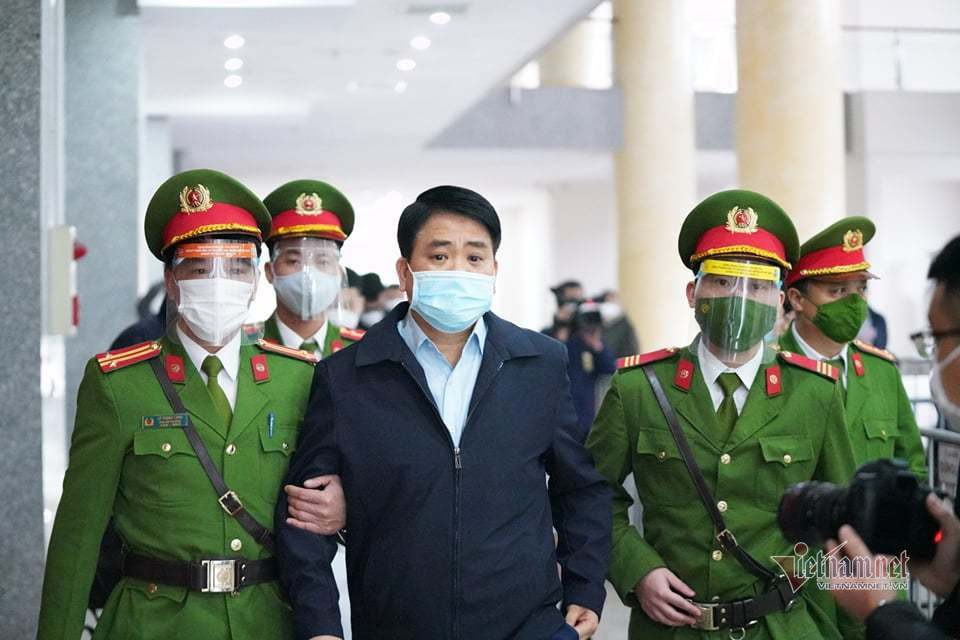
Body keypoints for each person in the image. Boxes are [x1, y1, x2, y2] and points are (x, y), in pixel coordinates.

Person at [275, 185, 612, 640]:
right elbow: (303, 516)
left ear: (494, 271)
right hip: (396, 625)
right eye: (439, 256)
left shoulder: (539, 364)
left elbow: (580, 490)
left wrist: (585, 587)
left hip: (525, 626)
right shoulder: (347, 377)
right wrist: (321, 626)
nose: (458, 270)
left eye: (474, 258)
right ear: (405, 271)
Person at [37, 169, 320, 640]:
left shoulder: (297, 377)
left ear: (255, 281)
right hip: (153, 623)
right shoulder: (119, 385)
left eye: (236, 268)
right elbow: (78, 535)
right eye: (199, 268)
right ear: (171, 281)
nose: (220, 283)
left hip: (266, 621)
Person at [586, 189, 857, 639]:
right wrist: (637, 569)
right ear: (693, 293)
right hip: (671, 629)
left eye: (758, 286)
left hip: (781, 626)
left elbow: (842, 522)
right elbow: (593, 495)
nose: (740, 297)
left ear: (779, 301)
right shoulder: (638, 388)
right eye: (723, 281)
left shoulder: (815, 392)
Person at [825, 235, 960, 639]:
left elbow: (912, 460)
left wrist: (883, 610)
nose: (934, 358)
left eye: (936, 339)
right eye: (836, 290)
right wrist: (953, 582)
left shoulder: (880, 371)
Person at [779, 217, 926, 477]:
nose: (855, 302)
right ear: (797, 299)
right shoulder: (768, 368)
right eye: (838, 291)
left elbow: (912, 466)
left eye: (861, 289)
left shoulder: (882, 371)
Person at [260, 179, 365, 356]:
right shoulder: (243, 348)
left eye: (323, 261)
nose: (308, 275)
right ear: (270, 272)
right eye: (293, 261)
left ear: (339, 273)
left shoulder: (363, 350)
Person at [566, 302, 616, 434]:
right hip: (570, 404)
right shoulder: (570, 344)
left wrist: (597, 347)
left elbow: (610, 368)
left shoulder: (597, 345)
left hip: (588, 409)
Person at [598, 290, 640, 359]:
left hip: (623, 360)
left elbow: (632, 347)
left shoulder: (624, 324)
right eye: (607, 301)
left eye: (612, 300)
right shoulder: (597, 326)